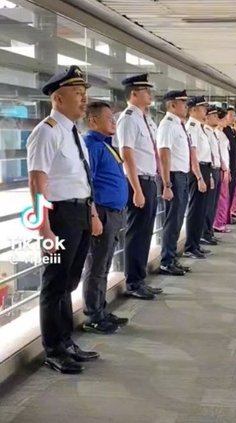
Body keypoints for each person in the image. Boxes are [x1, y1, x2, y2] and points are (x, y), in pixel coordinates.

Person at [27, 65, 100, 374]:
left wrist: (92, 213)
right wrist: (43, 227)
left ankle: (66, 341)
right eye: (78, 95)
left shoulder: (74, 133)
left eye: (85, 95)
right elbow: (37, 182)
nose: (84, 101)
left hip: (80, 213)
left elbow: (81, 177)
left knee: (69, 282)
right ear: (58, 98)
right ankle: (53, 349)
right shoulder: (46, 131)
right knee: (54, 283)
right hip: (59, 217)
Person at [82, 102, 129, 335]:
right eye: (109, 118)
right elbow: (88, 182)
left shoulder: (106, 145)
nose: (113, 122)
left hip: (114, 213)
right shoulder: (92, 145)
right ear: (93, 121)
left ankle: (100, 309)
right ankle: (93, 315)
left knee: (105, 264)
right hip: (101, 213)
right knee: (97, 265)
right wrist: (93, 215)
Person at [115, 73, 163, 300]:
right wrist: (136, 189)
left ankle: (140, 278)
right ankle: (133, 282)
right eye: (146, 90)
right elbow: (127, 154)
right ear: (133, 93)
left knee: (145, 233)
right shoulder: (128, 119)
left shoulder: (146, 119)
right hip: (139, 181)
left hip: (150, 179)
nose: (150, 94)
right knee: (136, 232)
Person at [156, 89, 191, 276]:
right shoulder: (167, 124)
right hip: (174, 177)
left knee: (178, 220)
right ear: (172, 105)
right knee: (172, 220)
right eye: (183, 103)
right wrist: (167, 183)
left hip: (182, 176)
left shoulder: (179, 124)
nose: (186, 107)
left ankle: (172, 258)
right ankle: (166, 261)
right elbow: (164, 153)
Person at [184, 96, 210, 259]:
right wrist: (199, 177)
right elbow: (193, 154)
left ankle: (196, 243)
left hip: (205, 168)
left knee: (201, 209)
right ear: (193, 110)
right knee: (195, 209)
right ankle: (190, 246)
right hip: (197, 170)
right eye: (202, 108)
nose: (205, 111)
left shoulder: (200, 127)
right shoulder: (192, 127)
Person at [201, 105, 222, 245]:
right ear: (206, 117)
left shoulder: (213, 132)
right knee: (207, 205)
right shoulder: (204, 132)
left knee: (213, 204)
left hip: (216, 169)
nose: (217, 118)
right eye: (213, 116)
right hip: (208, 169)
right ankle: (204, 233)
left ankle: (209, 231)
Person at [213, 108, 232, 232]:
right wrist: (224, 166)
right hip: (221, 167)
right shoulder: (216, 133)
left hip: (225, 166)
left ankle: (221, 221)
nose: (226, 121)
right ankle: (217, 223)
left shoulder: (222, 133)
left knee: (224, 196)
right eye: (224, 119)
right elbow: (218, 153)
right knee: (220, 197)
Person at [223, 107, 236, 220]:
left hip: (234, 164)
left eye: (234, 115)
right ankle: (225, 216)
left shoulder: (232, 130)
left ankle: (229, 214)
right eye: (230, 115)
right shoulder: (224, 131)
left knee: (232, 190)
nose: (233, 118)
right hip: (228, 165)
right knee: (227, 191)